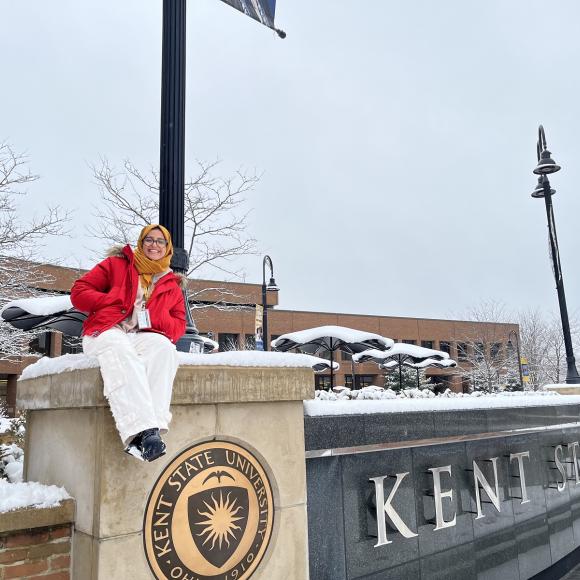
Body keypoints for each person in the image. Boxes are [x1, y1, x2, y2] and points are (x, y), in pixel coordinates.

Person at [70, 224, 186, 462]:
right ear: (141, 243)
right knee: (119, 348)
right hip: (105, 331)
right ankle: (141, 433)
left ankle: (153, 428)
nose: (154, 245)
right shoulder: (116, 265)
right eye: (149, 240)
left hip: (141, 335)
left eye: (160, 241)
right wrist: (113, 299)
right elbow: (79, 292)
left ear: (167, 248)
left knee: (164, 349)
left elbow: (178, 328)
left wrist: (155, 315)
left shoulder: (171, 285)